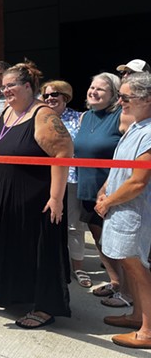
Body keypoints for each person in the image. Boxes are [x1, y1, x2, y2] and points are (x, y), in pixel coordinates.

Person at [0, 61, 73, 329]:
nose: (5, 91)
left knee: (38, 251)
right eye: (3, 86)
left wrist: (56, 198)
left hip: (33, 201)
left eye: (11, 86)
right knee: (12, 249)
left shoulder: (42, 115)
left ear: (28, 86)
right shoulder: (7, 111)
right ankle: (14, 293)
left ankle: (45, 307)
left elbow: (63, 153)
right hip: (0, 197)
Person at [95, 72, 151, 349]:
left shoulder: (150, 132)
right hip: (121, 208)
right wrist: (105, 188)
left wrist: (108, 201)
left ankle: (148, 329)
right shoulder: (135, 127)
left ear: (147, 99)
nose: (121, 102)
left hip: (134, 212)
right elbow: (120, 166)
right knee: (130, 268)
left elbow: (138, 181)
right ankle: (137, 316)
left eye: (126, 98)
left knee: (138, 268)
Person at [75, 72, 133, 306]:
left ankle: (129, 294)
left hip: (113, 193)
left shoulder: (121, 116)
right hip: (88, 189)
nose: (93, 92)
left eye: (100, 89)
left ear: (113, 95)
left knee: (121, 245)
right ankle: (116, 282)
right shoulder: (85, 117)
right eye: (91, 87)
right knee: (101, 241)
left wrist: (110, 189)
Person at [41, 80, 89, 288]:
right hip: (43, 180)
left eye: (55, 94)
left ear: (65, 97)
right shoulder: (40, 118)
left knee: (73, 226)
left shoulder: (79, 119)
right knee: (48, 224)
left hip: (71, 179)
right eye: (46, 95)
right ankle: (54, 265)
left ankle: (78, 266)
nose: (50, 98)